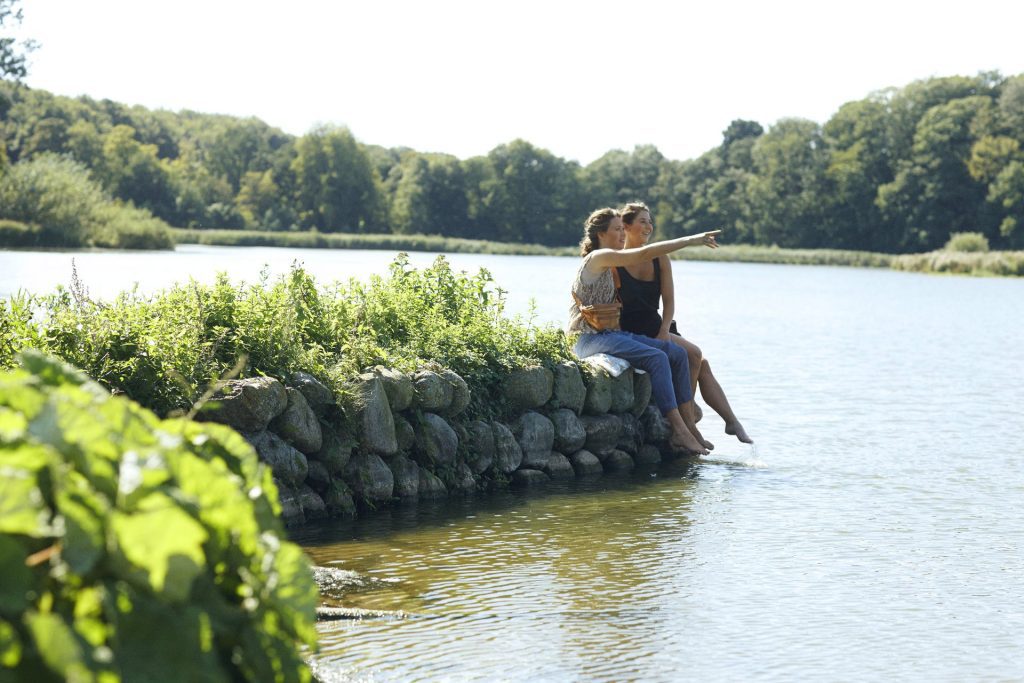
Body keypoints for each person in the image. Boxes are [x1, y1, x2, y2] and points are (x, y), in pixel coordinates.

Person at [568, 207, 719, 455]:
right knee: (657, 357)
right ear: (601, 235)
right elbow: (645, 253)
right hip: (587, 339)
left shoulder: (610, 261)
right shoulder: (598, 258)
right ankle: (679, 432)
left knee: (677, 354)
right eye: (617, 229)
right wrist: (692, 240)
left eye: (621, 228)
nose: (622, 235)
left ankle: (690, 428)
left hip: (610, 336)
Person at [616, 201, 752, 446]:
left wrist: (665, 330)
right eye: (642, 221)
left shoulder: (660, 259)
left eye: (650, 221)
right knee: (695, 354)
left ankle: (731, 421)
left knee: (701, 363)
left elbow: (668, 301)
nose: (649, 226)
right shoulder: (614, 259)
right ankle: (690, 428)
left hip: (658, 326)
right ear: (625, 226)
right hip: (632, 329)